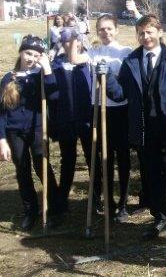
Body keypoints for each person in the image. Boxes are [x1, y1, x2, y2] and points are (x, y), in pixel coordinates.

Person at [102, 14, 166, 239]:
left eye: (149, 32)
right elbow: (120, 94)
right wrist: (107, 78)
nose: (145, 36)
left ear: (159, 32)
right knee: (152, 173)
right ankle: (159, 217)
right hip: (143, 127)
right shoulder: (131, 62)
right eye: (141, 33)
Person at [69, 14, 134, 221]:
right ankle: (109, 201)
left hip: (119, 111)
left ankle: (122, 203)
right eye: (101, 29)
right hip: (98, 109)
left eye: (109, 28)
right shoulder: (94, 52)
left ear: (116, 30)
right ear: (96, 31)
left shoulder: (125, 52)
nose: (105, 32)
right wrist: (72, 37)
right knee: (105, 158)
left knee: (122, 158)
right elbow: (74, 59)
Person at [0, 36, 61, 231]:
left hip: (37, 129)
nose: (31, 58)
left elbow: (54, 96)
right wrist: (2, 139)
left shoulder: (39, 76)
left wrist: (47, 69)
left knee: (42, 166)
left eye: (35, 55)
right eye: (28, 53)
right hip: (14, 132)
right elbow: (1, 113)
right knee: (22, 170)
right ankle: (30, 210)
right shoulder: (8, 78)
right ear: (20, 52)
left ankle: (53, 209)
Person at [50, 29, 102, 216]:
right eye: (66, 42)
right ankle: (62, 199)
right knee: (68, 160)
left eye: (75, 41)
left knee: (92, 157)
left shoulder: (88, 62)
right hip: (65, 121)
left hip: (87, 118)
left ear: (81, 43)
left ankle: (96, 196)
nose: (72, 45)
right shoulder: (55, 66)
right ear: (61, 44)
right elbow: (52, 96)